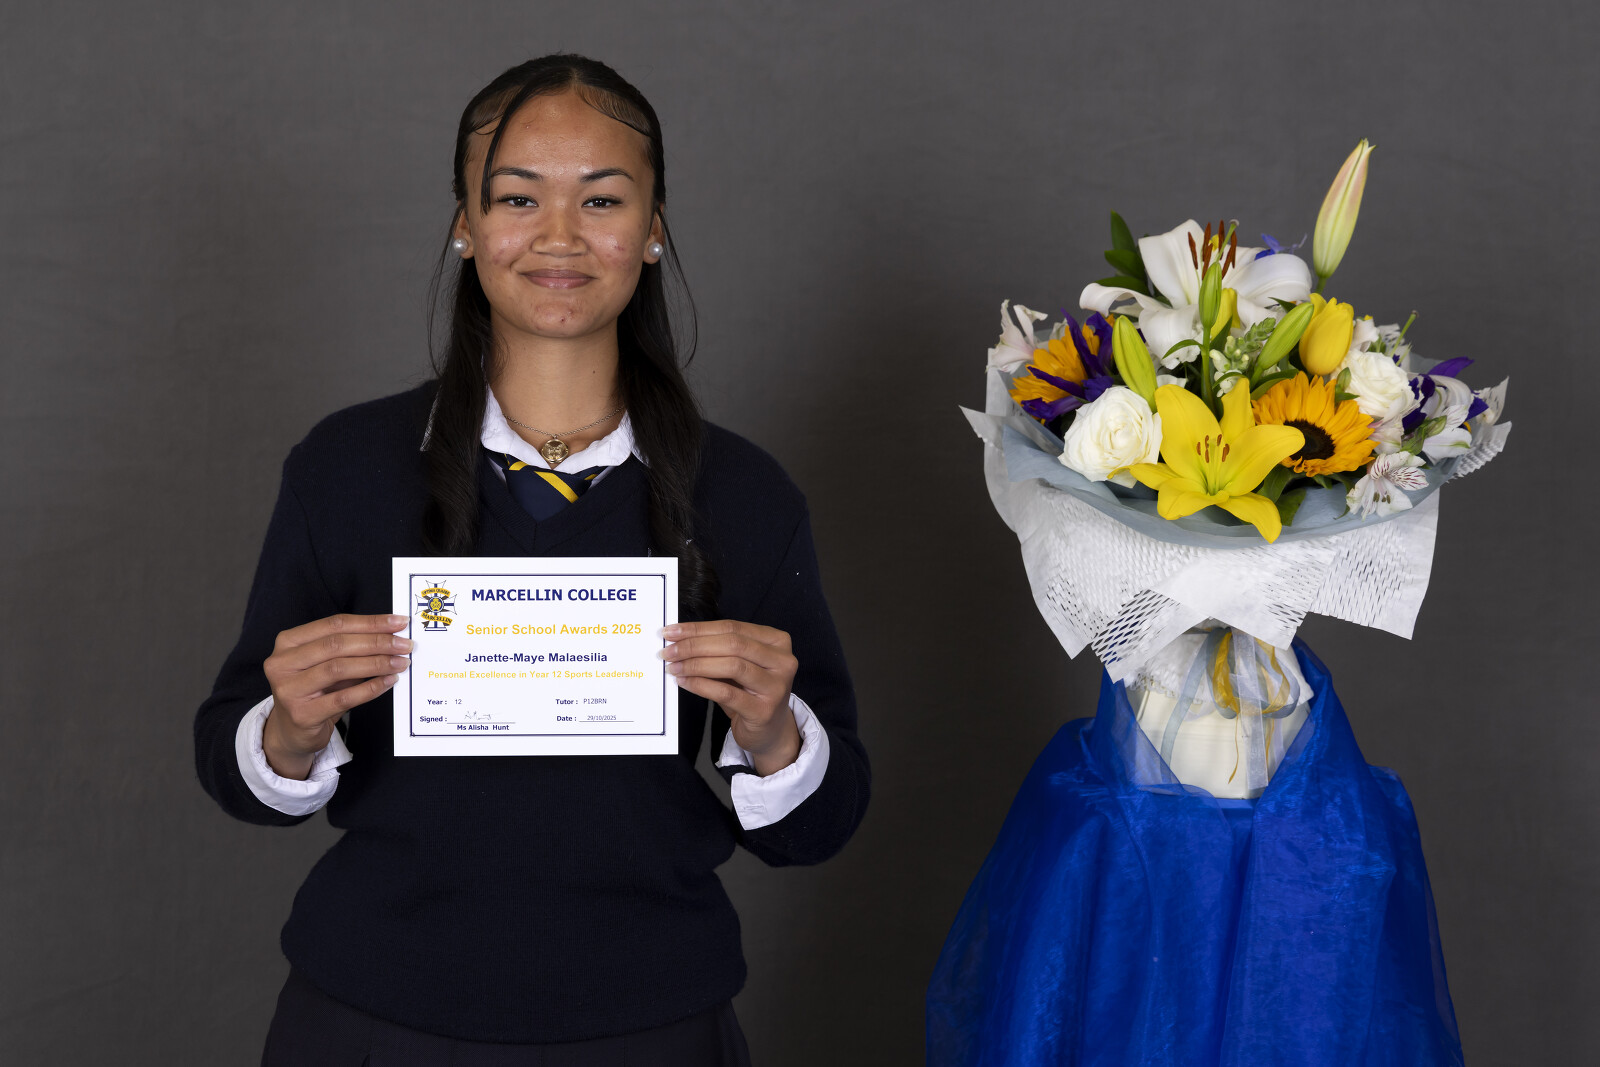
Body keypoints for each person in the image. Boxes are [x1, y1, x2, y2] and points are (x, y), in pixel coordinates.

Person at [193, 54, 870, 1066]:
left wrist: (776, 735)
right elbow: (234, 765)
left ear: (653, 229)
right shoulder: (345, 468)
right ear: (464, 225)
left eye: (602, 199)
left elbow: (819, 824)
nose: (559, 235)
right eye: (517, 197)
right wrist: (286, 730)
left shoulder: (744, 492)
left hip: (652, 1020)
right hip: (373, 1013)